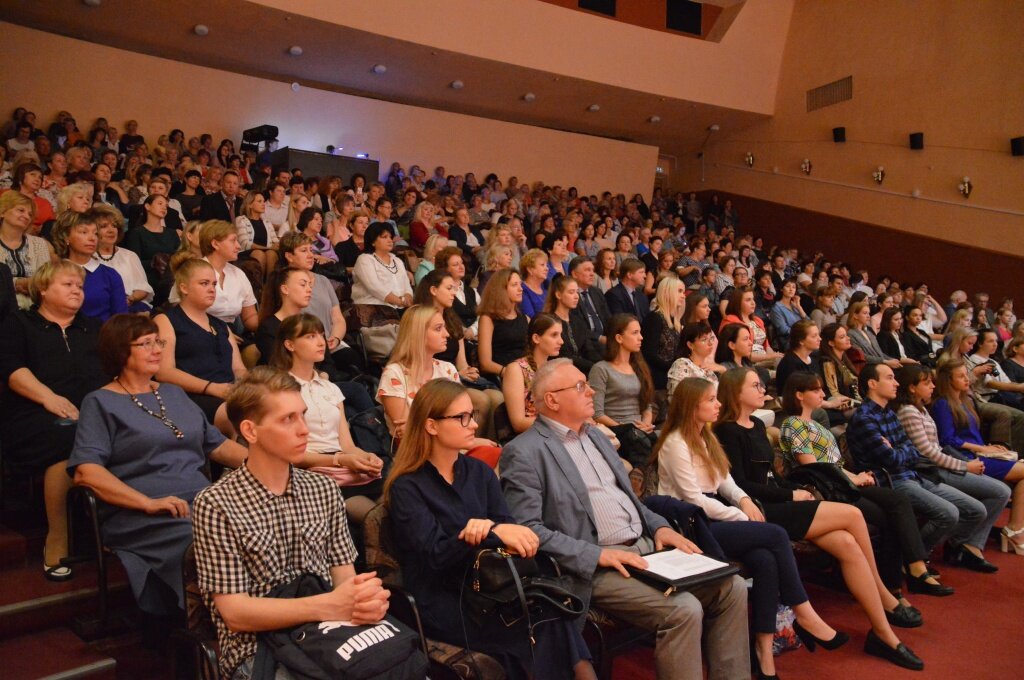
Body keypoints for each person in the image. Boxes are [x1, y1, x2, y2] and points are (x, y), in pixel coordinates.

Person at [500, 358, 750, 680]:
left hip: (648, 550)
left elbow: (632, 501)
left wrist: (660, 526)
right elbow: (529, 530)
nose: (591, 391)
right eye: (580, 386)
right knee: (683, 610)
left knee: (731, 587)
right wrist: (598, 554)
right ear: (552, 400)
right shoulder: (524, 452)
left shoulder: (597, 437)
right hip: (598, 566)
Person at [385, 379, 595, 680]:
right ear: (431, 426)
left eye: (473, 415)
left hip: (494, 586)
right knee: (527, 631)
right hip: (444, 598)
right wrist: (480, 534)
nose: (473, 425)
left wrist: (494, 532)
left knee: (550, 616)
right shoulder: (408, 486)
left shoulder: (479, 472)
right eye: (462, 418)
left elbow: (507, 528)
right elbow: (434, 557)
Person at [715, 367, 924, 666]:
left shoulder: (758, 426)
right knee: (852, 515)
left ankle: (883, 635)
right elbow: (742, 486)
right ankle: (882, 592)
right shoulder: (727, 430)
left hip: (780, 500)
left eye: (763, 384)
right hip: (759, 509)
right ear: (736, 391)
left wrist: (795, 489)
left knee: (848, 545)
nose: (763, 389)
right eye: (755, 385)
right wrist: (790, 495)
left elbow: (772, 476)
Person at [193, 368, 390, 680]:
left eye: (303, 416)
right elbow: (236, 614)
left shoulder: (323, 488)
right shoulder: (216, 503)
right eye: (288, 419)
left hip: (326, 636)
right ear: (250, 430)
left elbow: (343, 577)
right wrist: (330, 605)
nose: (304, 430)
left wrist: (362, 601)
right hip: (258, 650)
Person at [655, 376, 846, 678]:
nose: (718, 404)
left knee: (766, 560)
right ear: (692, 406)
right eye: (710, 400)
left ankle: (763, 654)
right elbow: (694, 500)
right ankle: (804, 612)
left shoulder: (705, 436)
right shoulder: (674, 442)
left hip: (713, 517)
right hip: (689, 526)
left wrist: (744, 501)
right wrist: (740, 515)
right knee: (776, 534)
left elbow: (725, 482)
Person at [68, 314, 246, 613]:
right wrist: (147, 503)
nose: (157, 349)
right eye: (145, 343)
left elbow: (218, 445)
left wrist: (274, 463)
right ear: (120, 352)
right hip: (143, 512)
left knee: (254, 526)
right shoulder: (99, 402)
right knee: (209, 541)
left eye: (158, 342)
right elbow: (86, 473)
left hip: (201, 503)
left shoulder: (173, 393)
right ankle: (213, 626)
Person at [780, 372, 952, 600]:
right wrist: (853, 478)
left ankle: (909, 572)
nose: (822, 393)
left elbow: (833, 463)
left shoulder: (815, 423)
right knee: (891, 512)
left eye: (821, 388)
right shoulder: (794, 424)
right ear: (799, 395)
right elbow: (813, 467)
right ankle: (899, 582)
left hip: (840, 482)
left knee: (897, 502)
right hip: (826, 489)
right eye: (815, 390)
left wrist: (856, 475)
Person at [0, 262, 107, 580]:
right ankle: (58, 535)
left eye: (80, 286)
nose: (77, 290)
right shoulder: (19, 323)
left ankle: (117, 526)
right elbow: (11, 370)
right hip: (33, 414)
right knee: (70, 439)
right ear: (43, 289)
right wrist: (50, 399)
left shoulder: (94, 328)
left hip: (91, 412)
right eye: (68, 284)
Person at [848, 362, 992, 570]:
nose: (896, 383)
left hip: (914, 474)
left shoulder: (888, 412)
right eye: (889, 378)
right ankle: (914, 560)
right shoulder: (864, 418)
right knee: (949, 513)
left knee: (976, 510)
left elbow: (912, 451)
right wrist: (901, 451)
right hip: (892, 480)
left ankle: (922, 553)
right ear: (872, 383)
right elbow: (892, 460)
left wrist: (899, 450)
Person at [893, 364, 1010, 569]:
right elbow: (929, 453)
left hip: (942, 464)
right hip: (929, 470)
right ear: (912, 387)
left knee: (1000, 491)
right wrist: (965, 466)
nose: (932, 386)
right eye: (927, 382)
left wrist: (968, 461)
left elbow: (938, 447)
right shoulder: (910, 411)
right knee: (992, 496)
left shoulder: (921, 408)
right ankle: (919, 555)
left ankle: (968, 545)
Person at [270, 313, 383, 522]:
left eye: (321, 335)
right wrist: (340, 460)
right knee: (377, 520)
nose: (321, 342)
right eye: (310, 337)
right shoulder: (279, 389)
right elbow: (287, 455)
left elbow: (347, 445)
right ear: (290, 345)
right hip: (312, 475)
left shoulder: (330, 388)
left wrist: (366, 457)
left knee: (402, 507)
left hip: (343, 467)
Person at [930, 358, 1024, 555]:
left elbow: (971, 435)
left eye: (966, 375)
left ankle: (1014, 528)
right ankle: (1013, 530)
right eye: (961, 376)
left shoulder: (965, 400)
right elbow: (948, 440)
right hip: (966, 458)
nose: (967, 379)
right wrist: (982, 450)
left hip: (978, 452)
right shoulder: (942, 404)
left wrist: (989, 447)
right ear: (948, 380)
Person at [154, 259, 245, 427]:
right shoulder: (166, 320)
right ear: (184, 287)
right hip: (189, 396)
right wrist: (212, 388)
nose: (212, 289)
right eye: (204, 283)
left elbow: (238, 368)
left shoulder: (221, 325)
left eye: (214, 284)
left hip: (227, 393)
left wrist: (248, 388)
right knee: (240, 417)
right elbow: (164, 372)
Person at [50, 210, 128, 322]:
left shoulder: (110, 275)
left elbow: (121, 320)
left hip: (102, 336)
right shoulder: (53, 273)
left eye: (95, 233)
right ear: (66, 237)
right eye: (84, 232)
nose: (92, 238)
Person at [503, 313, 564, 434]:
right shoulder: (516, 369)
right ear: (536, 338)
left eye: (560, 335)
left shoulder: (557, 368)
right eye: (554, 335)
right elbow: (518, 423)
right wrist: (562, 422)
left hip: (557, 432)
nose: (561, 341)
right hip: (532, 438)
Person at [0, 190, 56, 309]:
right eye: (21, 210)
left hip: (35, 309)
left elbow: (45, 279)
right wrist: (16, 284)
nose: (26, 216)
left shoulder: (39, 244)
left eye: (30, 214)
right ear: (3, 212)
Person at [91, 204, 152, 312]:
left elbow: (143, 288)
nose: (111, 230)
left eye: (114, 226)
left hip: (132, 307)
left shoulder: (129, 256)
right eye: (104, 226)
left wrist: (130, 299)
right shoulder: (88, 257)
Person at [544, 274, 601, 374]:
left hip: (583, 370)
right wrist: (595, 367)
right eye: (571, 292)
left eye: (577, 292)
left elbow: (588, 349)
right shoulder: (549, 321)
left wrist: (602, 365)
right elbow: (563, 356)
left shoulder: (577, 321)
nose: (576, 296)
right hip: (560, 372)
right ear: (558, 295)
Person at [123, 194, 181, 293]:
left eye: (166, 206)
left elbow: (180, 257)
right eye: (160, 203)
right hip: (147, 281)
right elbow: (134, 262)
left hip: (172, 280)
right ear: (147, 206)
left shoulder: (172, 233)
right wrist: (154, 262)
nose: (164, 207)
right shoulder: (137, 233)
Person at [477, 268, 528, 381]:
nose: (520, 289)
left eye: (520, 284)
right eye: (514, 285)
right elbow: (485, 363)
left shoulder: (525, 319)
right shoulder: (488, 319)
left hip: (524, 373)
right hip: (501, 375)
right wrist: (512, 374)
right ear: (502, 289)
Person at [254, 267, 314, 363]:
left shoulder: (311, 323)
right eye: (303, 284)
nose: (309, 289)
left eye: (310, 285)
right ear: (285, 289)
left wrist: (323, 374)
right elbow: (278, 364)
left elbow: (326, 363)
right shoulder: (268, 327)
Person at [351, 222, 413, 311]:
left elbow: (407, 286)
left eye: (390, 237)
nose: (390, 240)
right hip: (373, 309)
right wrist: (400, 302)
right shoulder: (364, 259)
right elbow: (375, 288)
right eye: (384, 237)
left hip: (401, 308)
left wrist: (408, 297)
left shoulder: (397, 261)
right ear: (373, 242)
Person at [640, 276, 684, 391]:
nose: (683, 296)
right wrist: (675, 368)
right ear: (668, 292)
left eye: (683, 291)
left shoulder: (676, 320)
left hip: (672, 378)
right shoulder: (654, 318)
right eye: (679, 291)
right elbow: (649, 354)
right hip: (657, 382)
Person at [720, 287, 782, 366]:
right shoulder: (730, 321)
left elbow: (767, 346)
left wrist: (774, 356)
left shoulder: (757, 320)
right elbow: (745, 355)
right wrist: (769, 357)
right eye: (748, 300)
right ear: (737, 303)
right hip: (744, 363)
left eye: (753, 299)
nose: (753, 303)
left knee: (783, 361)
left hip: (764, 359)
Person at [968, 328, 1024, 408]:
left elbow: (1007, 382)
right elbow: (991, 383)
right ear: (980, 343)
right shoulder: (975, 359)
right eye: (991, 341)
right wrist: (1019, 387)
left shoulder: (993, 361)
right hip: (988, 399)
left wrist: (1020, 386)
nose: (995, 344)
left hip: (1000, 397)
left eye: (996, 341)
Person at [667, 322, 725, 396]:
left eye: (711, 338)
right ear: (690, 345)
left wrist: (723, 370)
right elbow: (680, 397)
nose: (710, 343)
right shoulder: (681, 364)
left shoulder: (709, 369)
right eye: (704, 339)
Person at [234, 189, 278, 281]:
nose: (263, 204)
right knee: (259, 253)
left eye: (263, 201)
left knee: (272, 254)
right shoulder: (240, 220)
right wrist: (268, 248)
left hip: (266, 252)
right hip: (245, 253)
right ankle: (258, 288)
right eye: (259, 201)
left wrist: (276, 246)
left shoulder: (267, 222)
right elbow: (245, 244)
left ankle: (269, 286)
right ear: (250, 204)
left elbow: (276, 242)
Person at [847, 301, 902, 369]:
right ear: (855, 315)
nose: (868, 316)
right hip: (868, 368)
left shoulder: (868, 332)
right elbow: (861, 355)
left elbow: (880, 353)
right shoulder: (851, 333)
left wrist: (892, 360)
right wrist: (885, 362)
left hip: (880, 365)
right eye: (865, 313)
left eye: (869, 313)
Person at [769, 278, 807, 349]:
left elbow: (809, 322)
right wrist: (803, 332)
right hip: (789, 341)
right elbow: (783, 330)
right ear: (781, 289)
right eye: (788, 286)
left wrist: (799, 307)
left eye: (793, 287)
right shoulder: (776, 308)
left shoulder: (795, 305)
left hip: (803, 338)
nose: (791, 289)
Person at [519, 248, 548, 319]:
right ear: (530, 269)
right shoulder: (522, 290)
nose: (547, 268)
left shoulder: (546, 287)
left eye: (546, 265)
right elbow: (531, 318)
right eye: (542, 265)